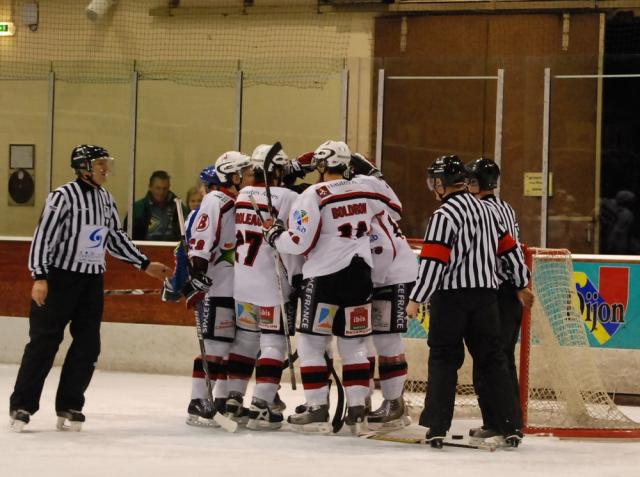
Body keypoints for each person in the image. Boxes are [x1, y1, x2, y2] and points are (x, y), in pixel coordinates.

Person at [9, 145, 169, 432]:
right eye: (100, 163)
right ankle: (22, 405)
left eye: (106, 162)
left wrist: (144, 264)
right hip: (59, 279)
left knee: (88, 345)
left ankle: (70, 405)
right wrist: (40, 277)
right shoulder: (63, 197)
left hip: (91, 281)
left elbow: (114, 238)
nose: (106, 168)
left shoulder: (106, 199)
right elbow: (43, 237)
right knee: (44, 343)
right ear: (84, 166)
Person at [262, 140, 400, 433]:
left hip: (323, 278)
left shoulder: (314, 194)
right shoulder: (365, 187)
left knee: (311, 344)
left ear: (322, 166)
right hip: (361, 275)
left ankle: (317, 408)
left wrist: (275, 236)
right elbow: (395, 209)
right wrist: (372, 172)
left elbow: (299, 242)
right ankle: (358, 410)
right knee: (354, 346)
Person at [405, 155, 532, 448]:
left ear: (441, 183)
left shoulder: (443, 216)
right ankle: (510, 426)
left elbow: (434, 261)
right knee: (493, 360)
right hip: (487, 298)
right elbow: (510, 250)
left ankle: (437, 426)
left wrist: (416, 299)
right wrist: (521, 283)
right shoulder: (489, 212)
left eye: (433, 182)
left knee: (444, 359)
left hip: (451, 299)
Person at [233, 144, 302, 430]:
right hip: (271, 285)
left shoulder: (242, 195)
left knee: (245, 343)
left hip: (242, 283)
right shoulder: (289, 197)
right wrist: (298, 278)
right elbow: (293, 243)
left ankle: (233, 400)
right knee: (273, 343)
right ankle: (262, 405)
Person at [184, 152, 255, 426]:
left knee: (234, 346)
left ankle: (223, 400)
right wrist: (197, 270)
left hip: (238, 286)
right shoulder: (216, 200)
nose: (249, 176)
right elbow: (202, 235)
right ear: (233, 175)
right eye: (245, 172)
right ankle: (198, 401)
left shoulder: (240, 201)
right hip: (219, 286)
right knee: (215, 345)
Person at [350, 153, 417, 430]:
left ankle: (395, 403)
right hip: (379, 277)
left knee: (386, 340)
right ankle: (362, 399)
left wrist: (367, 285)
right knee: (360, 340)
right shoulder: (367, 198)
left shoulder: (369, 210)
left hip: (392, 277)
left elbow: (383, 250)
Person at [466, 157, 529, 440]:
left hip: (494, 292)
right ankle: (512, 421)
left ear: (475, 183)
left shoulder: (478, 210)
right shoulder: (506, 207)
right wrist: (521, 284)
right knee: (503, 358)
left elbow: (504, 251)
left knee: (488, 359)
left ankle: (497, 422)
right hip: (511, 292)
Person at [127, 170, 189, 241]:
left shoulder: (178, 207)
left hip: (172, 249)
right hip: (144, 249)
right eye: (158, 188)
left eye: (165, 188)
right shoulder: (138, 208)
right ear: (150, 187)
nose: (161, 192)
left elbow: (186, 232)